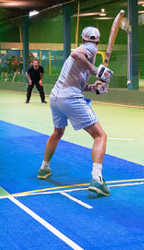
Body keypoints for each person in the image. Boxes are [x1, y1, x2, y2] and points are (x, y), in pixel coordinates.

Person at [37, 26, 113, 196]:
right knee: (100, 136)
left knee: (57, 133)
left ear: (82, 38)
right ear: (97, 41)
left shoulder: (85, 55)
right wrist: (96, 71)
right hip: (69, 98)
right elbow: (75, 54)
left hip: (56, 98)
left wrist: (94, 87)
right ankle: (97, 179)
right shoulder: (90, 48)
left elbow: (80, 84)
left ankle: (44, 168)